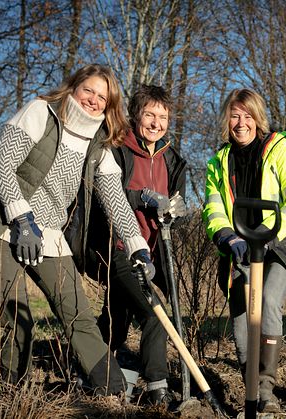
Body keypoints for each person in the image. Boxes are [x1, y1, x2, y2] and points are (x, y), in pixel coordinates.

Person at [0, 64, 155, 396]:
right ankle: (13, 395)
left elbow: (116, 201)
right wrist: (22, 220)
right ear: (73, 88)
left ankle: (113, 391)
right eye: (88, 90)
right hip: (0, 225)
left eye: (102, 97)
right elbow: (1, 166)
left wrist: (137, 245)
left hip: (48, 233)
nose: (93, 100)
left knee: (78, 313)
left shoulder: (99, 145)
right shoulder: (41, 112)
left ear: (110, 105)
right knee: (17, 314)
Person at [202, 88, 286, 414]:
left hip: (283, 243)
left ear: (258, 118)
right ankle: (250, 391)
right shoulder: (219, 162)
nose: (241, 123)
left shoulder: (280, 149)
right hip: (241, 246)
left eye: (247, 115)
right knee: (241, 318)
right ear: (227, 119)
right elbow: (214, 210)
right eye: (235, 115)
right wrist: (229, 238)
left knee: (266, 299)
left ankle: (266, 392)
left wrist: (270, 236)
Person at [83, 84, 187, 405]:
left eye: (163, 117)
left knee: (118, 314)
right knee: (155, 313)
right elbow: (104, 193)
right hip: (118, 247)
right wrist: (141, 198)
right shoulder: (118, 148)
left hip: (153, 252)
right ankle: (157, 387)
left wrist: (175, 211)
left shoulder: (172, 159)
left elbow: (175, 206)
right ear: (135, 114)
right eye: (150, 115)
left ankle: (93, 372)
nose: (156, 123)